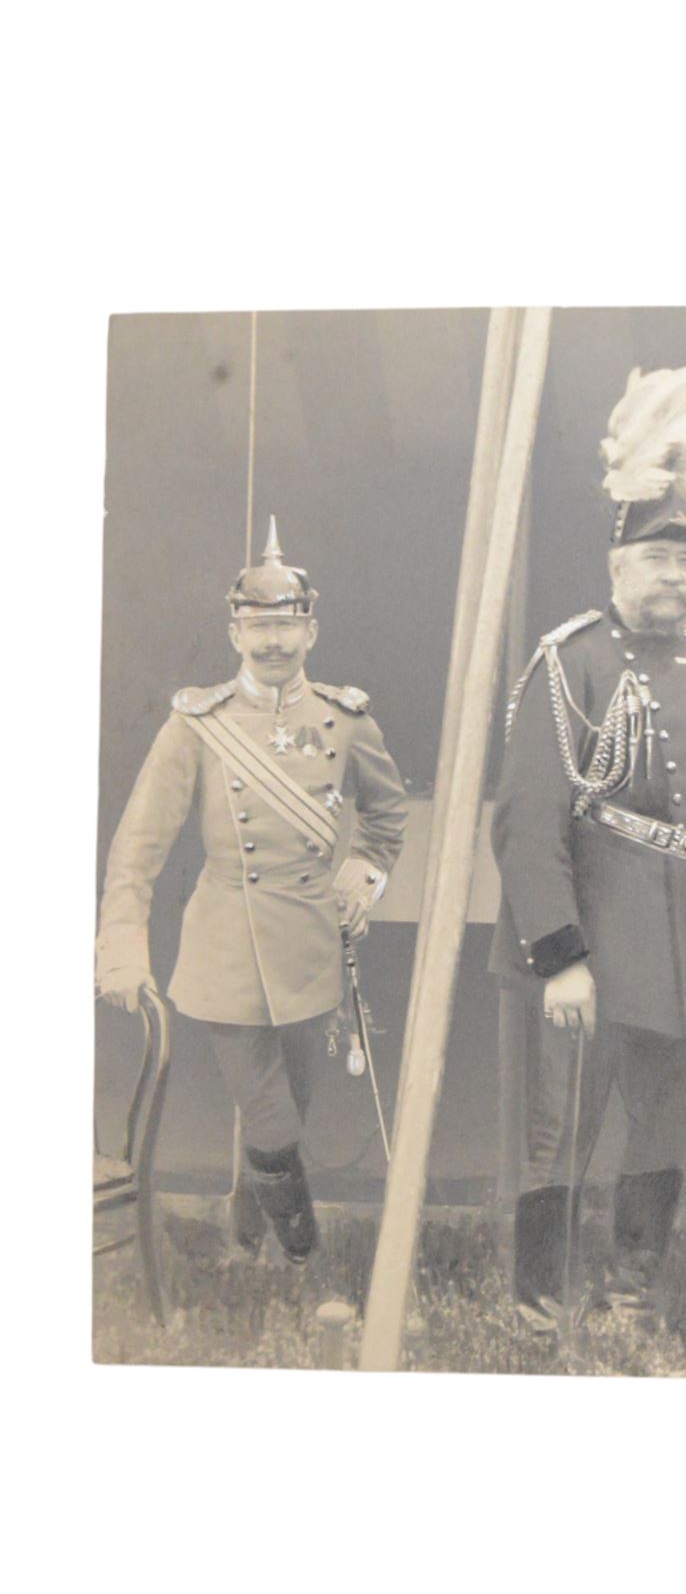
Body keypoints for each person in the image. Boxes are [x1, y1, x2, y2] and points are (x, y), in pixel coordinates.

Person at [491, 356, 686, 1329]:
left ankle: (629, 1292)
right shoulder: (572, 664)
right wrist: (560, 957)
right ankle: (537, 1299)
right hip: (594, 945)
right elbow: (527, 823)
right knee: (562, 1126)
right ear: (617, 568)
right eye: (657, 561)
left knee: (664, 1122)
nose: (675, 579)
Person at [94, 522, 408, 1263]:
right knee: (267, 1112)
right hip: (226, 937)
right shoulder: (196, 725)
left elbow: (389, 813)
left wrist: (361, 875)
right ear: (234, 631)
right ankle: (304, 1254)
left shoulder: (345, 719)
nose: (273, 643)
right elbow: (139, 846)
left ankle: (245, 1232)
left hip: (310, 932)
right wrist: (120, 945)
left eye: (286, 626)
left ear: (311, 631)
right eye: (258, 626)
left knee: (291, 1102)